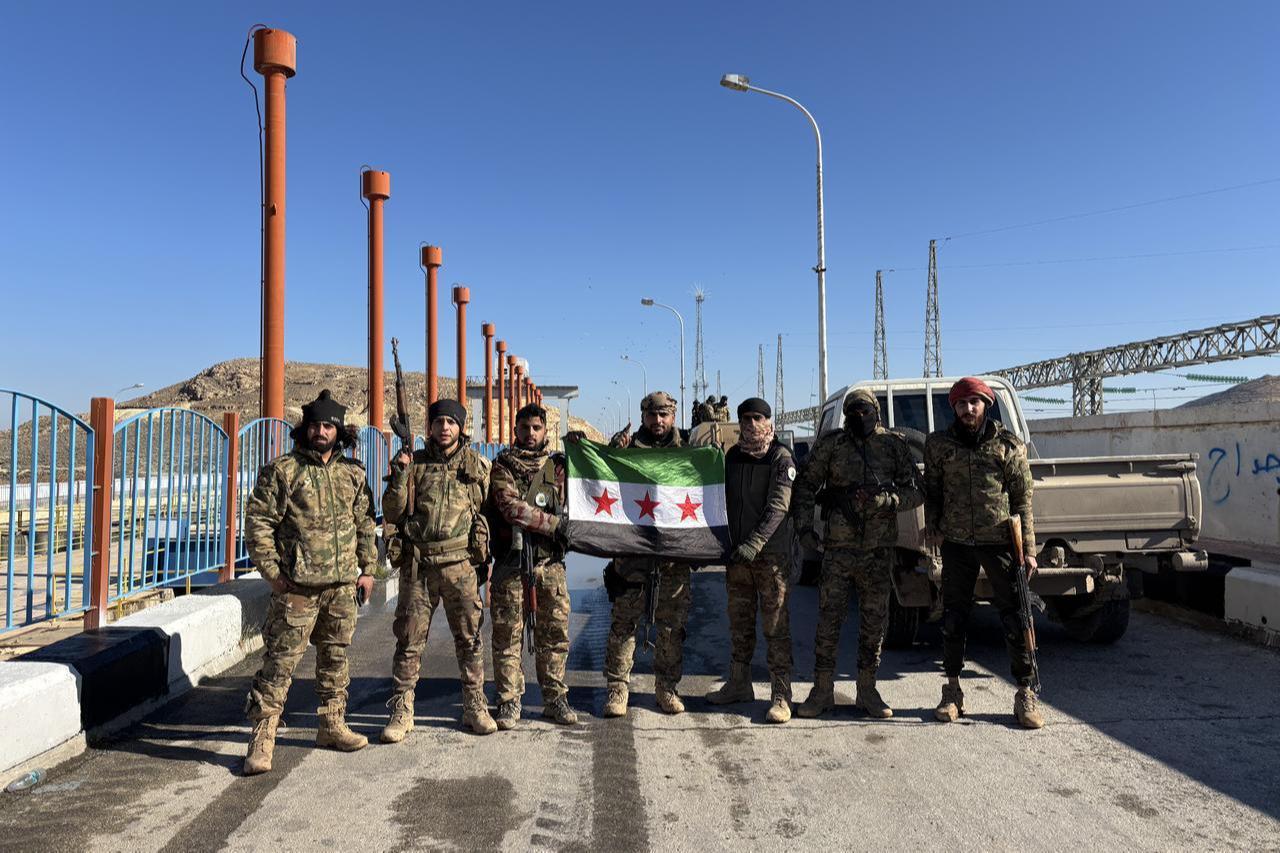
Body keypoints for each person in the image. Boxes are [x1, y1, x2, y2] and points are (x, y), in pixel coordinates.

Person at [241, 390, 377, 775]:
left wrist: (367, 570)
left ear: (339, 431)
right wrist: (273, 574)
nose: (321, 431)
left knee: (335, 659)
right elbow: (259, 524)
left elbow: (365, 525)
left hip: (340, 587)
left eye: (329, 426)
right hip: (297, 588)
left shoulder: (353, 474)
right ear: (305, 428)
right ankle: (262, 738)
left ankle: (331, 725)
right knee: (279, 664)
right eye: (315, 425)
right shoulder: (283, 471)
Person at [791, 389, 924, 719]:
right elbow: (806, 484)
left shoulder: (893, 446)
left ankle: (867, 689)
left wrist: (886, 500)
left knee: (874, 623)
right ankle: (822, 691)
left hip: (878, 552)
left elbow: (917, 491)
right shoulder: (833, 444)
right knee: (829, 622)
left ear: (876, 412)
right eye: (851, 411)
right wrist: (805, 529)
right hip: (837, 550)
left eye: (863, 410)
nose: (857, 416)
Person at [924, 377, 1043, 729]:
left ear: (986, 405)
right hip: (957, 542)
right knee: (953, 617)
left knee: (1017, 615)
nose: (968, 409)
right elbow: (932, 489)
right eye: (961, 404)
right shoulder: (939, 445)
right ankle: (952, 692)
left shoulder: (1008, 445)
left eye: (974, 402)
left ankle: (1025, 693)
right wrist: (933, 523)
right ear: (955, 409)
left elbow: (1023, 500)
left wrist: (1031, 550)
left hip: (1000, 542)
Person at [380, 398, 497, 739]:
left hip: (461, 566)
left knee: (470, 639)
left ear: (461, 427)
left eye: (451, 421)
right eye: (438, 422)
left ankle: (474, 705)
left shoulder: (477, 465)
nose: (444, 428)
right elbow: (391, 512)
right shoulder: (413, 464)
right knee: (409, 640)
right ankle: (402, 709)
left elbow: (490, 510)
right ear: (429, 427)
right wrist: (400, 475)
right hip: (419, 568)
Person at [602, 391, 693, 716]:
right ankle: (617, 690)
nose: (658, 421)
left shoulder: (689, 453)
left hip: (672, 559)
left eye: (664, 415)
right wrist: (612, 451)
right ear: (643, 417)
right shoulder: (627, 450)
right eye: (652, 415)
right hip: (632, 556)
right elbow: (603, 478)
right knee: (623, 627)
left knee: (671, 630)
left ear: (673, 416)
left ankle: (666, 689)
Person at [705, 398, 796, 723]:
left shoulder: (780, 458)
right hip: (738, 558)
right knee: (740, 625)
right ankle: (739, 684)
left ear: (769, 422)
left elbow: (778, 507)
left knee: (776, 628)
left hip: (770, 558)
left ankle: (782, 695)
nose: (751, 424)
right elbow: (719, 499)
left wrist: (754, 544)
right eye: (745, 419)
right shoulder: (734, 457)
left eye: (758, 418)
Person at [487, 403, 577, 728]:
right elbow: (511, 509)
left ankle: (555, 698)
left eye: (536, 428)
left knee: (554, 636)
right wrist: (554, 525)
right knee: (507, 637)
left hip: (550, 565)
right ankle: (509, 702)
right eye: (524, 428)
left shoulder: (559, 468)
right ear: (516, 431)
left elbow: (579, 499)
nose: (530, 434)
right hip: (511, 565)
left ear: (545, 431)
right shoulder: (503, 467)